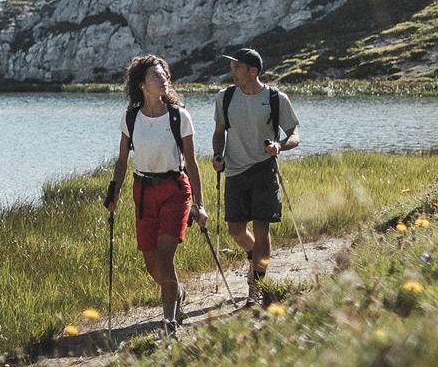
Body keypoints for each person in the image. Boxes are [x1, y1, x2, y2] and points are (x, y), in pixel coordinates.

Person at [102, 54, 208, 334]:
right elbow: (123, 160)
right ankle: (178, 293)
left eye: (165, 76)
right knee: (152, 266)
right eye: (155, 76)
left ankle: (169, 321)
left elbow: (192, 162)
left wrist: (200, 204)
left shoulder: (179, 116)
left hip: (175, 190)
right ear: (141, 84)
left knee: (164, 256)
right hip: (144, 192)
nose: (163, 80)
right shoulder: (131, 118)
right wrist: (114, 192)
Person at [209, 48, 301, 305]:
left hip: (264, 169)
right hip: (235, 171)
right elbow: (219, 132)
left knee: (262, 229)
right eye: (232, 67)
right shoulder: (225, 97)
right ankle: (255, 257)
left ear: (253, 71)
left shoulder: (275, 98)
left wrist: (279, 146)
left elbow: (294, 135)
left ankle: (256, 287)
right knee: (236, 230)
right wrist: (218, 154)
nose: (232, 72)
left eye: (237, 67)